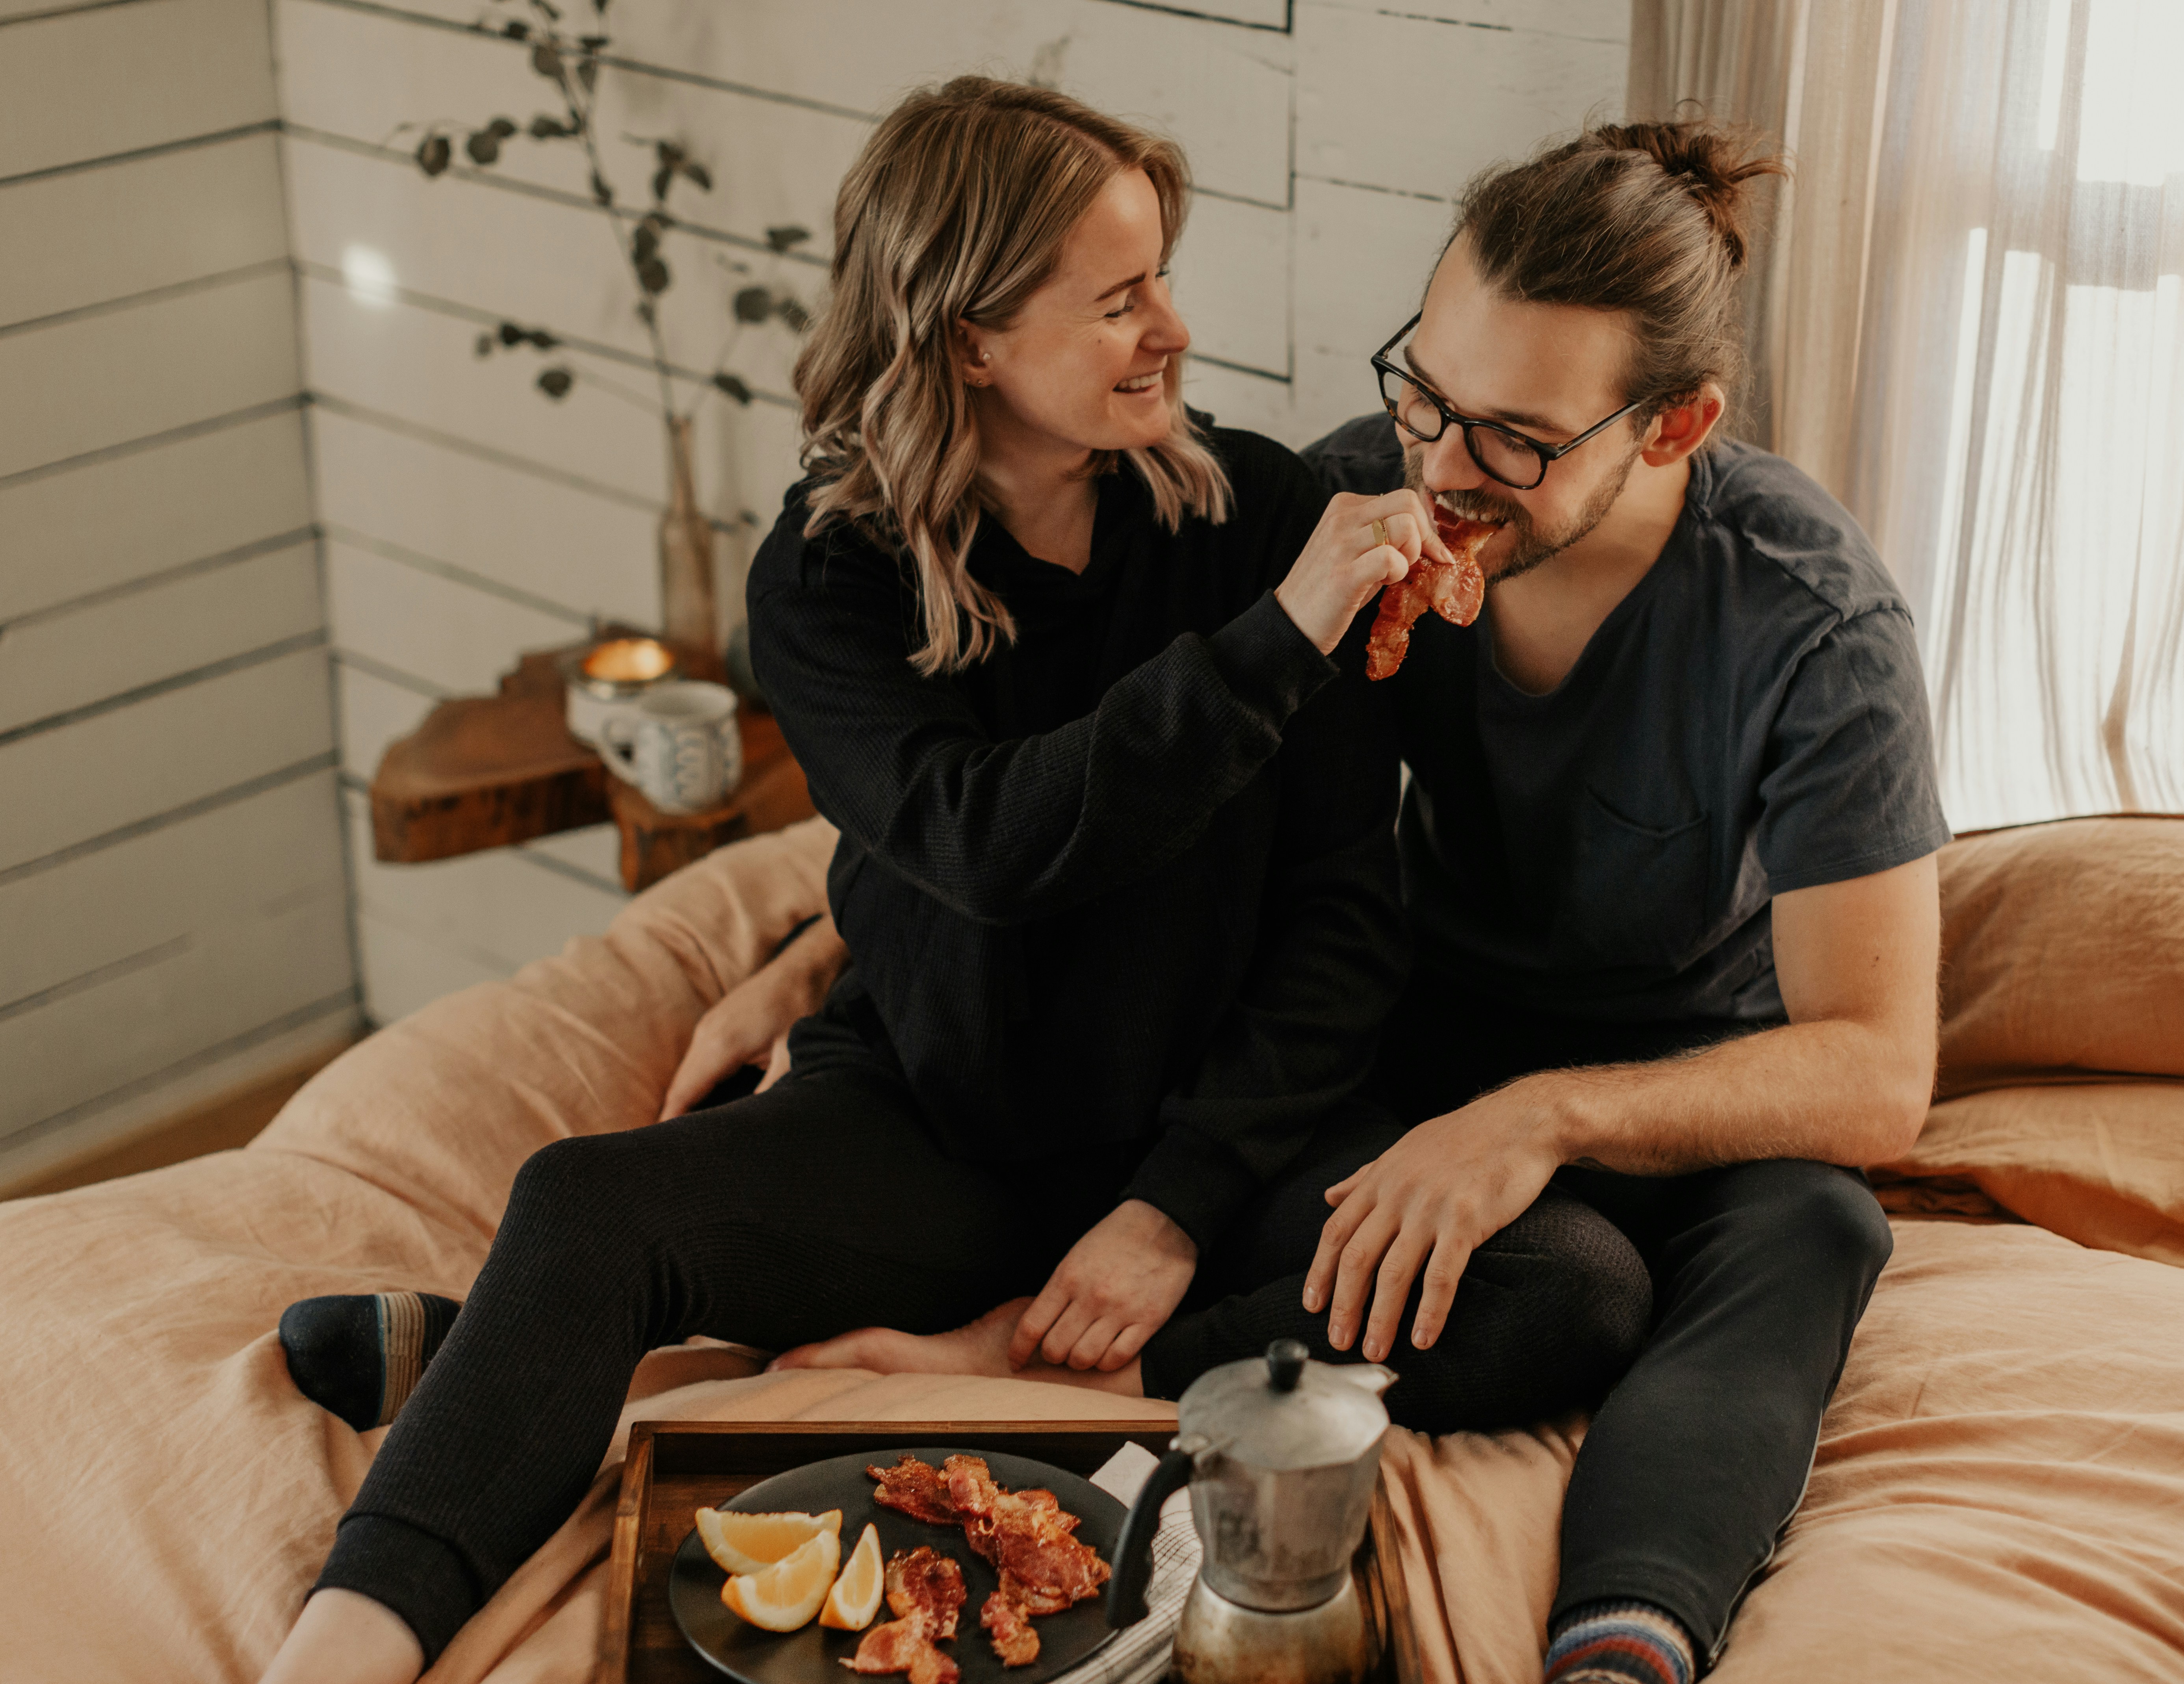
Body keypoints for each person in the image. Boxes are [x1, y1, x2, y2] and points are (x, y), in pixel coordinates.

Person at [256, 79, 1647, 1684]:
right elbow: (989, 845)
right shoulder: (827, 583)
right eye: (1120, 298)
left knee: (1570, 1282)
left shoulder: (1262, 517)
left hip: (1222, 1139)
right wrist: (1273, 643)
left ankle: (984, 1356)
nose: (1171, 329)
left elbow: (1344, 917)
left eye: (1162, 278)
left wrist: (1170, 1213)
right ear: (968, 338)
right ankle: (339, 1650)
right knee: (584, 1204)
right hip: (936, 1129)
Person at [698, 117, 1950, 1684]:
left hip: (1686, 1087)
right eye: (1423, 391)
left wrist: (1540, 1121)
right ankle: (1015, 1354)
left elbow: (1877, 1070)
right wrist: (829, 935)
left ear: (1675, 422)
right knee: (1237, 1162)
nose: (1438, 465)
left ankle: (1621, 1645)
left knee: (1817, 1230)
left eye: (1511, 437)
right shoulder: (1342, 512)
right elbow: (1107, 794)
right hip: (1399, 1050)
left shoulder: (1809, 625)